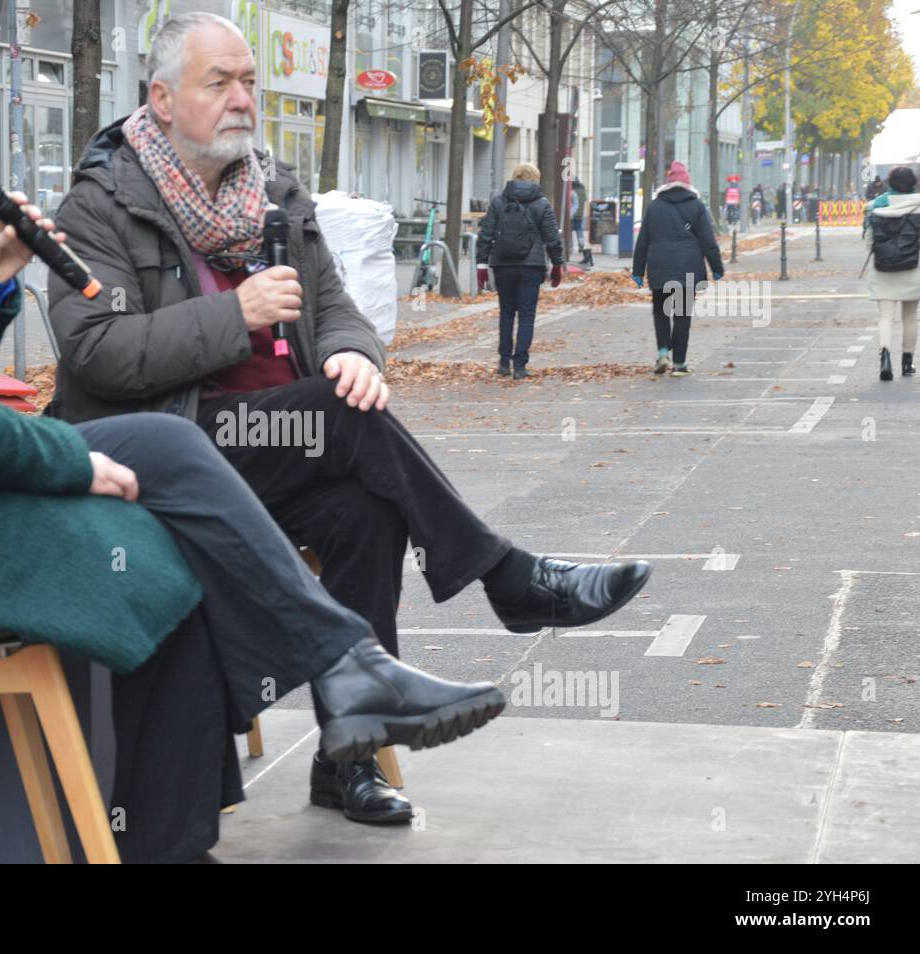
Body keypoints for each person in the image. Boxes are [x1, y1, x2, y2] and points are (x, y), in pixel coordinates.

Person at [0, 9, 525, 864]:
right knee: (160, 518)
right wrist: (75, 460)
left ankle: (289, 725)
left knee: (169, 517)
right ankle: (317, 696)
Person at [45, 13, 651, 826]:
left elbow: (336, 308)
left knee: (366, 512)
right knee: (339, 419)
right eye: (217, 83)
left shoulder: (274, 191)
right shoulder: (102, 205)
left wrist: (357, 353)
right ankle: (509, 580)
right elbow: (97, 353)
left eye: (249, 82)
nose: (241, 100)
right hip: (172, 449)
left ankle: (347, 762)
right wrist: (238, 317)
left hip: (282, 448)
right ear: (159, 99)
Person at [631, 160, 725, 376]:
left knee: (660, 311)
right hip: (688, 267)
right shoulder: (697, 206)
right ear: (687, 183)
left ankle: (663, 351)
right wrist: (717, 268)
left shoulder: (655, 207)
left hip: (660, 267)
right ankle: (679, 364)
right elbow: (707, 241)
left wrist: (637, 271)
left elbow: (643, 240)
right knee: (682, 315)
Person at [476, 162, 566, 379]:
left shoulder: (498, 202)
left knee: (506, 312)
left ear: (515, 177)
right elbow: (552, 238)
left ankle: (503, 362)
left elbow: (486, 233)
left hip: (502, 264)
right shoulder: (542, 204)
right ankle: (520, 365)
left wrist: (482, 264)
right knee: (527, 314)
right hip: (531, 266)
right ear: (535, 179)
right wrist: (557, 264)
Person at [864, 166, 920, 381]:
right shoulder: (917, 206)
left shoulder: (877, 207)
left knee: (885, 317)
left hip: (883, 268)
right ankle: (907, 362)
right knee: (910, 317)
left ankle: (885, 358)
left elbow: (869, 241)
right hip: (913, 268)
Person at [570, 178, 594, 267]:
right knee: (579, 230)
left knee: (570, 231)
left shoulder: (571, 190)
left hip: (572, 214)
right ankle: (581, 244)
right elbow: (584, 201)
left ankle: (571, 246)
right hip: (580, 214)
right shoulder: (582, 189)